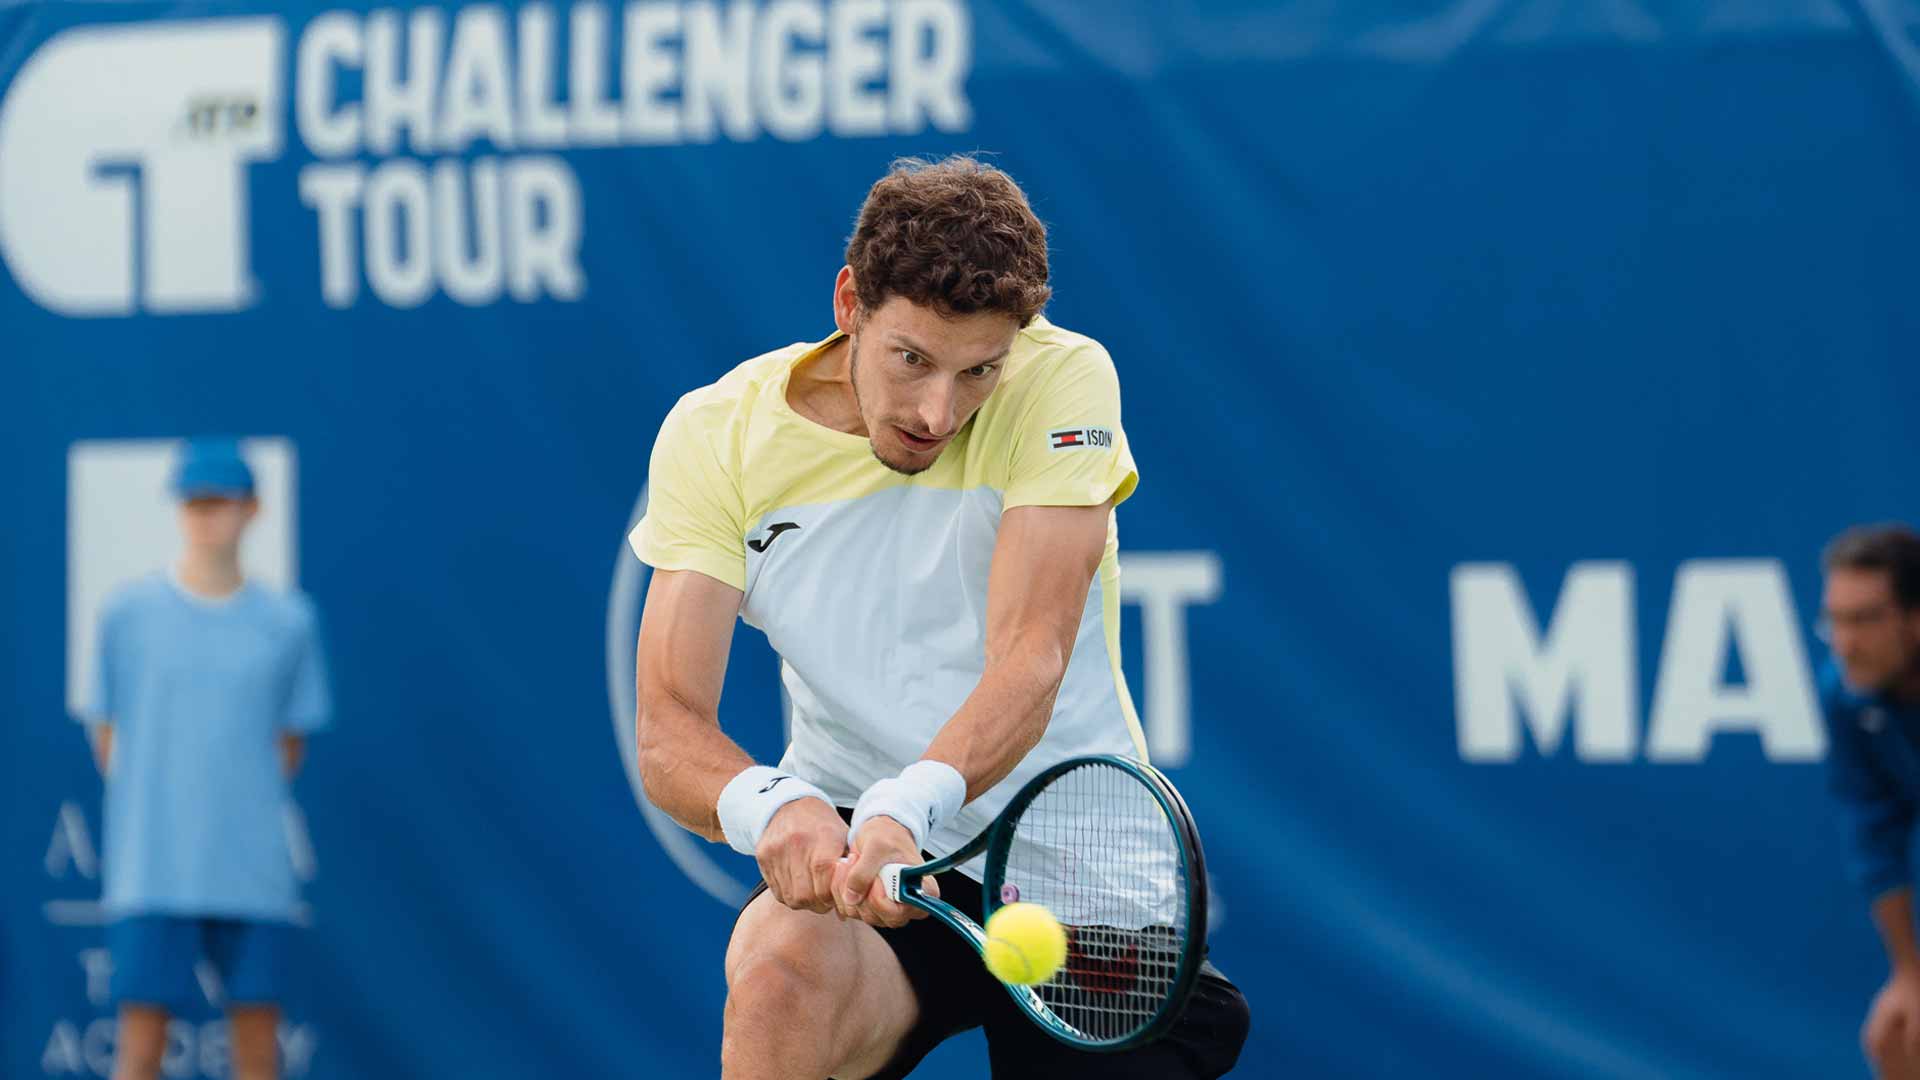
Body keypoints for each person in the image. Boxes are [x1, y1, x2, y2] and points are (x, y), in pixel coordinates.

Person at [628, 156, 1249, 1079]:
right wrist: (770, 806)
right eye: (911, 359)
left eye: (978, 371)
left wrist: (910, 805)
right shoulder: (717, 434)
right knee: (775, 980)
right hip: (858, 830)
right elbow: (669, 727)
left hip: (1070, 852)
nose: (937, 411)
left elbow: (1029, 658)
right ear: (849, 303)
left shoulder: (1064, 381)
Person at [84, 439, 330, 1080]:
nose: (205, 514)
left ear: (252, 509)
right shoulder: (126, 614)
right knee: (137, 1051)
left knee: (256, 1054)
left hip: (253, 874)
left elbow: (290, 745)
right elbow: (106, 735)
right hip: (152, 871)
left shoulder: (289, 623)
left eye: (219, 500)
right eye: (194, 501)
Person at [1820, 524, 1920, 1080]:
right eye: (1835, 620)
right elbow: (1873, 834)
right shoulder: (1845, 694)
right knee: (1900, 1037)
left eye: (1864, 619)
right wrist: (1909, 975)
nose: (1845, 642)